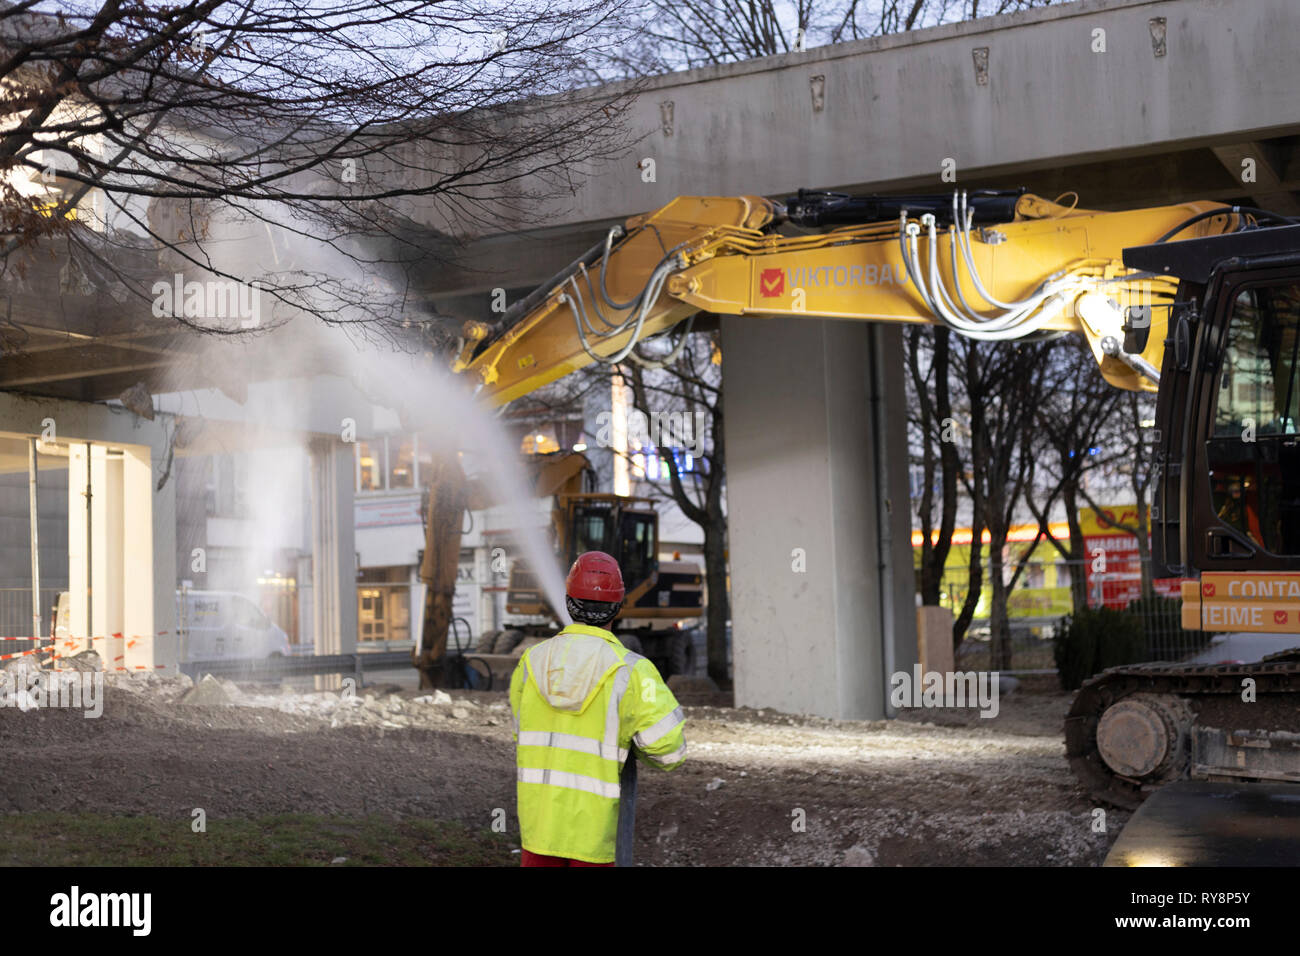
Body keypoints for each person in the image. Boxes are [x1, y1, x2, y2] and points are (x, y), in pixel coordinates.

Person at [509, 550, 686, 866]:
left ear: (568, 601)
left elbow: (524, 731)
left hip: (538, 831)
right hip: (593, 837)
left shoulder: (530, 662)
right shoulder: (632, 670)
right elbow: (669, 751)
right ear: (617, 607)